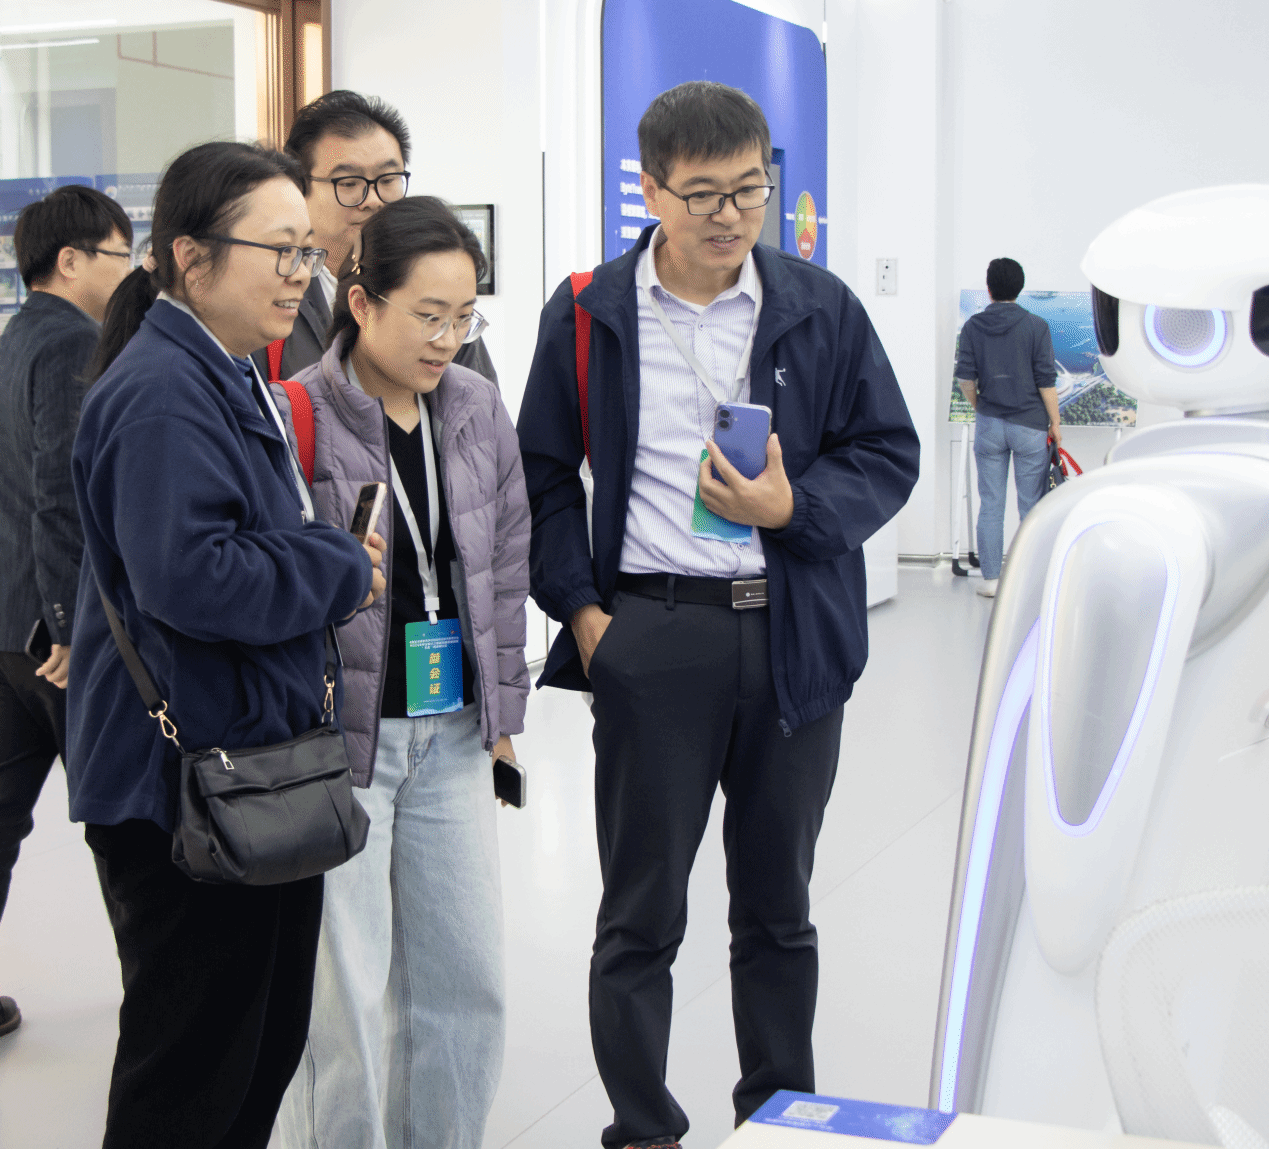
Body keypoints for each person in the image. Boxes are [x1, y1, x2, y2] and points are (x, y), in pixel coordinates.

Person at [517, 81, 920, 1149]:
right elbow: (542, 473)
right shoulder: (590, 311)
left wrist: (796, 509)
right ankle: (643, 1128)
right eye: (702, 194)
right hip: (653, 636)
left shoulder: (818, 307)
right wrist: (583, 613)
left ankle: (779, 1118)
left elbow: (888, 449)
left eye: (749, 189)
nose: (731, 215)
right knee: (639, 914)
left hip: (792, 637)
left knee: (778, 909)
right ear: (649, 190)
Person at [66, 141, 386, 1149]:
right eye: (278, 251)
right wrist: (337, 564)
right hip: (182, 781)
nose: (300, 274)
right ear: (191, 257)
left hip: (246, 762)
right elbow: (193, 577)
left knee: (256, 1054)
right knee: (190, 1078)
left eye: (306, 253)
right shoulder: (164, 393)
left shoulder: (227, 372)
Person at [273, 195, 529, 1149]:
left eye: (464, 317)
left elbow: (506, 561)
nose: (447, 339)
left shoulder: (475, 407)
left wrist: (503, 716)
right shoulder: (298, 411)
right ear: (361, 302)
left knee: (467, 979)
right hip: (343, 742)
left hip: (454, 733)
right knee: (342, 996)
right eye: (427, 315)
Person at [0, 184, 135, 1060]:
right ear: (72, 260)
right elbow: (59, 494)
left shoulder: (16, 338)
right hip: (51, 638)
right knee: (122, 816)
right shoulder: (74, 342)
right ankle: (158, 992)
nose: (131, 272)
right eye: (121, 255)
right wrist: (70, 627)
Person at [257, 89, 500, 386]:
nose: (372, 200)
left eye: (387, 180)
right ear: (300, 188)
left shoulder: (440, 296)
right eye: (349, 183)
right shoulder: (271, 295)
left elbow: (475, 403)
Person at [953, 258, 1062, 599]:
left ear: (989, 289)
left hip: (990, 425)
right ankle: (1028, 581)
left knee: (991, 504)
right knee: (1031, 507)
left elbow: (965, 379)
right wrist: (1055, 423)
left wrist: (980, 406)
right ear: (1020, 287)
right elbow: (1046, 381)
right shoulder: (1036, 326)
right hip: (1030, 425)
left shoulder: (972, 327)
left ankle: (991, 580)